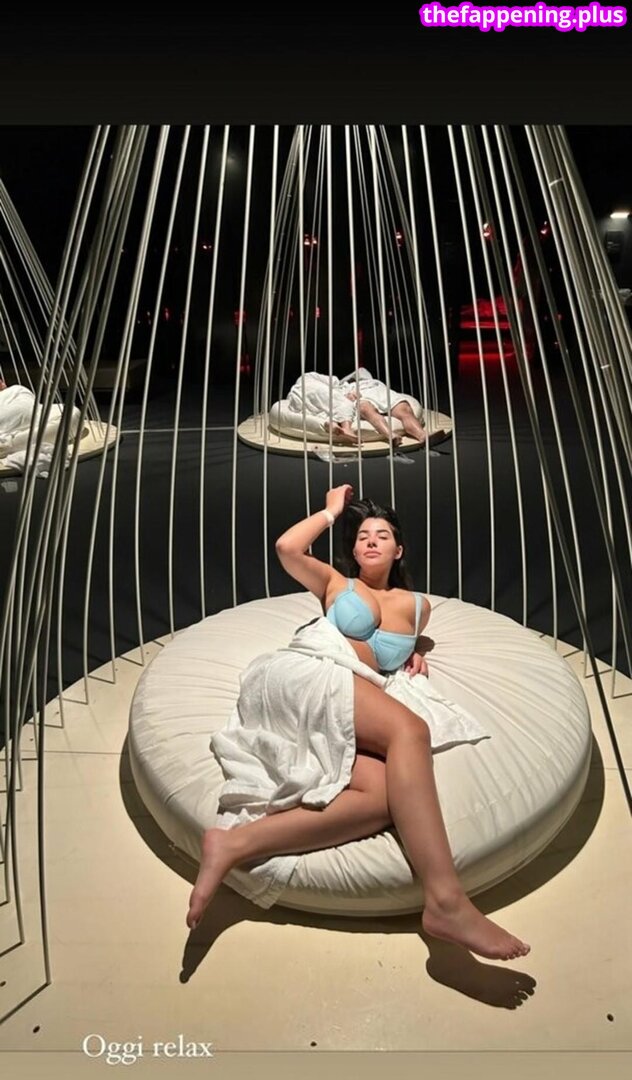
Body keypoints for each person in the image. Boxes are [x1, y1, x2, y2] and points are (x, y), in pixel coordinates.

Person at [186, 485, 530, 963]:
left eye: (382, 535)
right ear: (353, 549)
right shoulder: (336, 584)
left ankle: (233, 843)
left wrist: (413, 653)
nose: (371, 541)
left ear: (398, 550)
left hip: (343, 693)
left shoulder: (419, 608)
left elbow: (392, 648)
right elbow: (287, 548)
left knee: (383, 798)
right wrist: (331, 512)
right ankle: (446, 901)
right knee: (410, 730)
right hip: (306, 671)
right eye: (363, 535)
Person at [286, 369, 446, 448]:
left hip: (377, 391)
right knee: (368, 409)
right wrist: (348, 392)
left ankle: (420, 435)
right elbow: (340, 390)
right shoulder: (345, 387)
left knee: (403, 410)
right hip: (364, 395)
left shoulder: (366, 380)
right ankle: (392, 435)